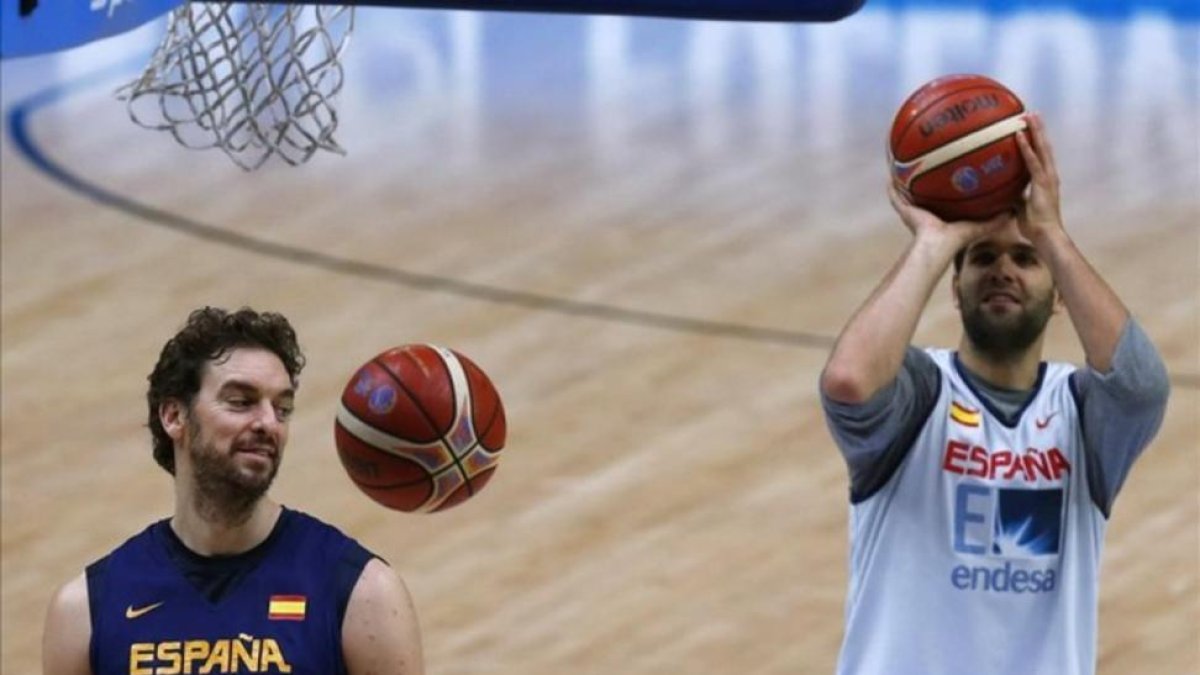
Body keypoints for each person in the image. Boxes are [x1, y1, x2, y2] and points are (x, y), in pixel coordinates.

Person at [819, 112, 1169, 674]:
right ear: (954, 290)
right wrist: (934, 243)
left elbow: (1141, 386)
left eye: (1026, 259)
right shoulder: (919, 395)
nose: (1004, 269)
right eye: (983, 258)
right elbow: (849, 382)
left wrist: (1052, 235)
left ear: (1059, 294)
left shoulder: (1081, 414)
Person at [42, 307, 424, 675]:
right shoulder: (85, 610)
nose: (268, 423)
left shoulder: (363, 593)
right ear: (174, 416)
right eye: (241, 402)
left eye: (282, 408)